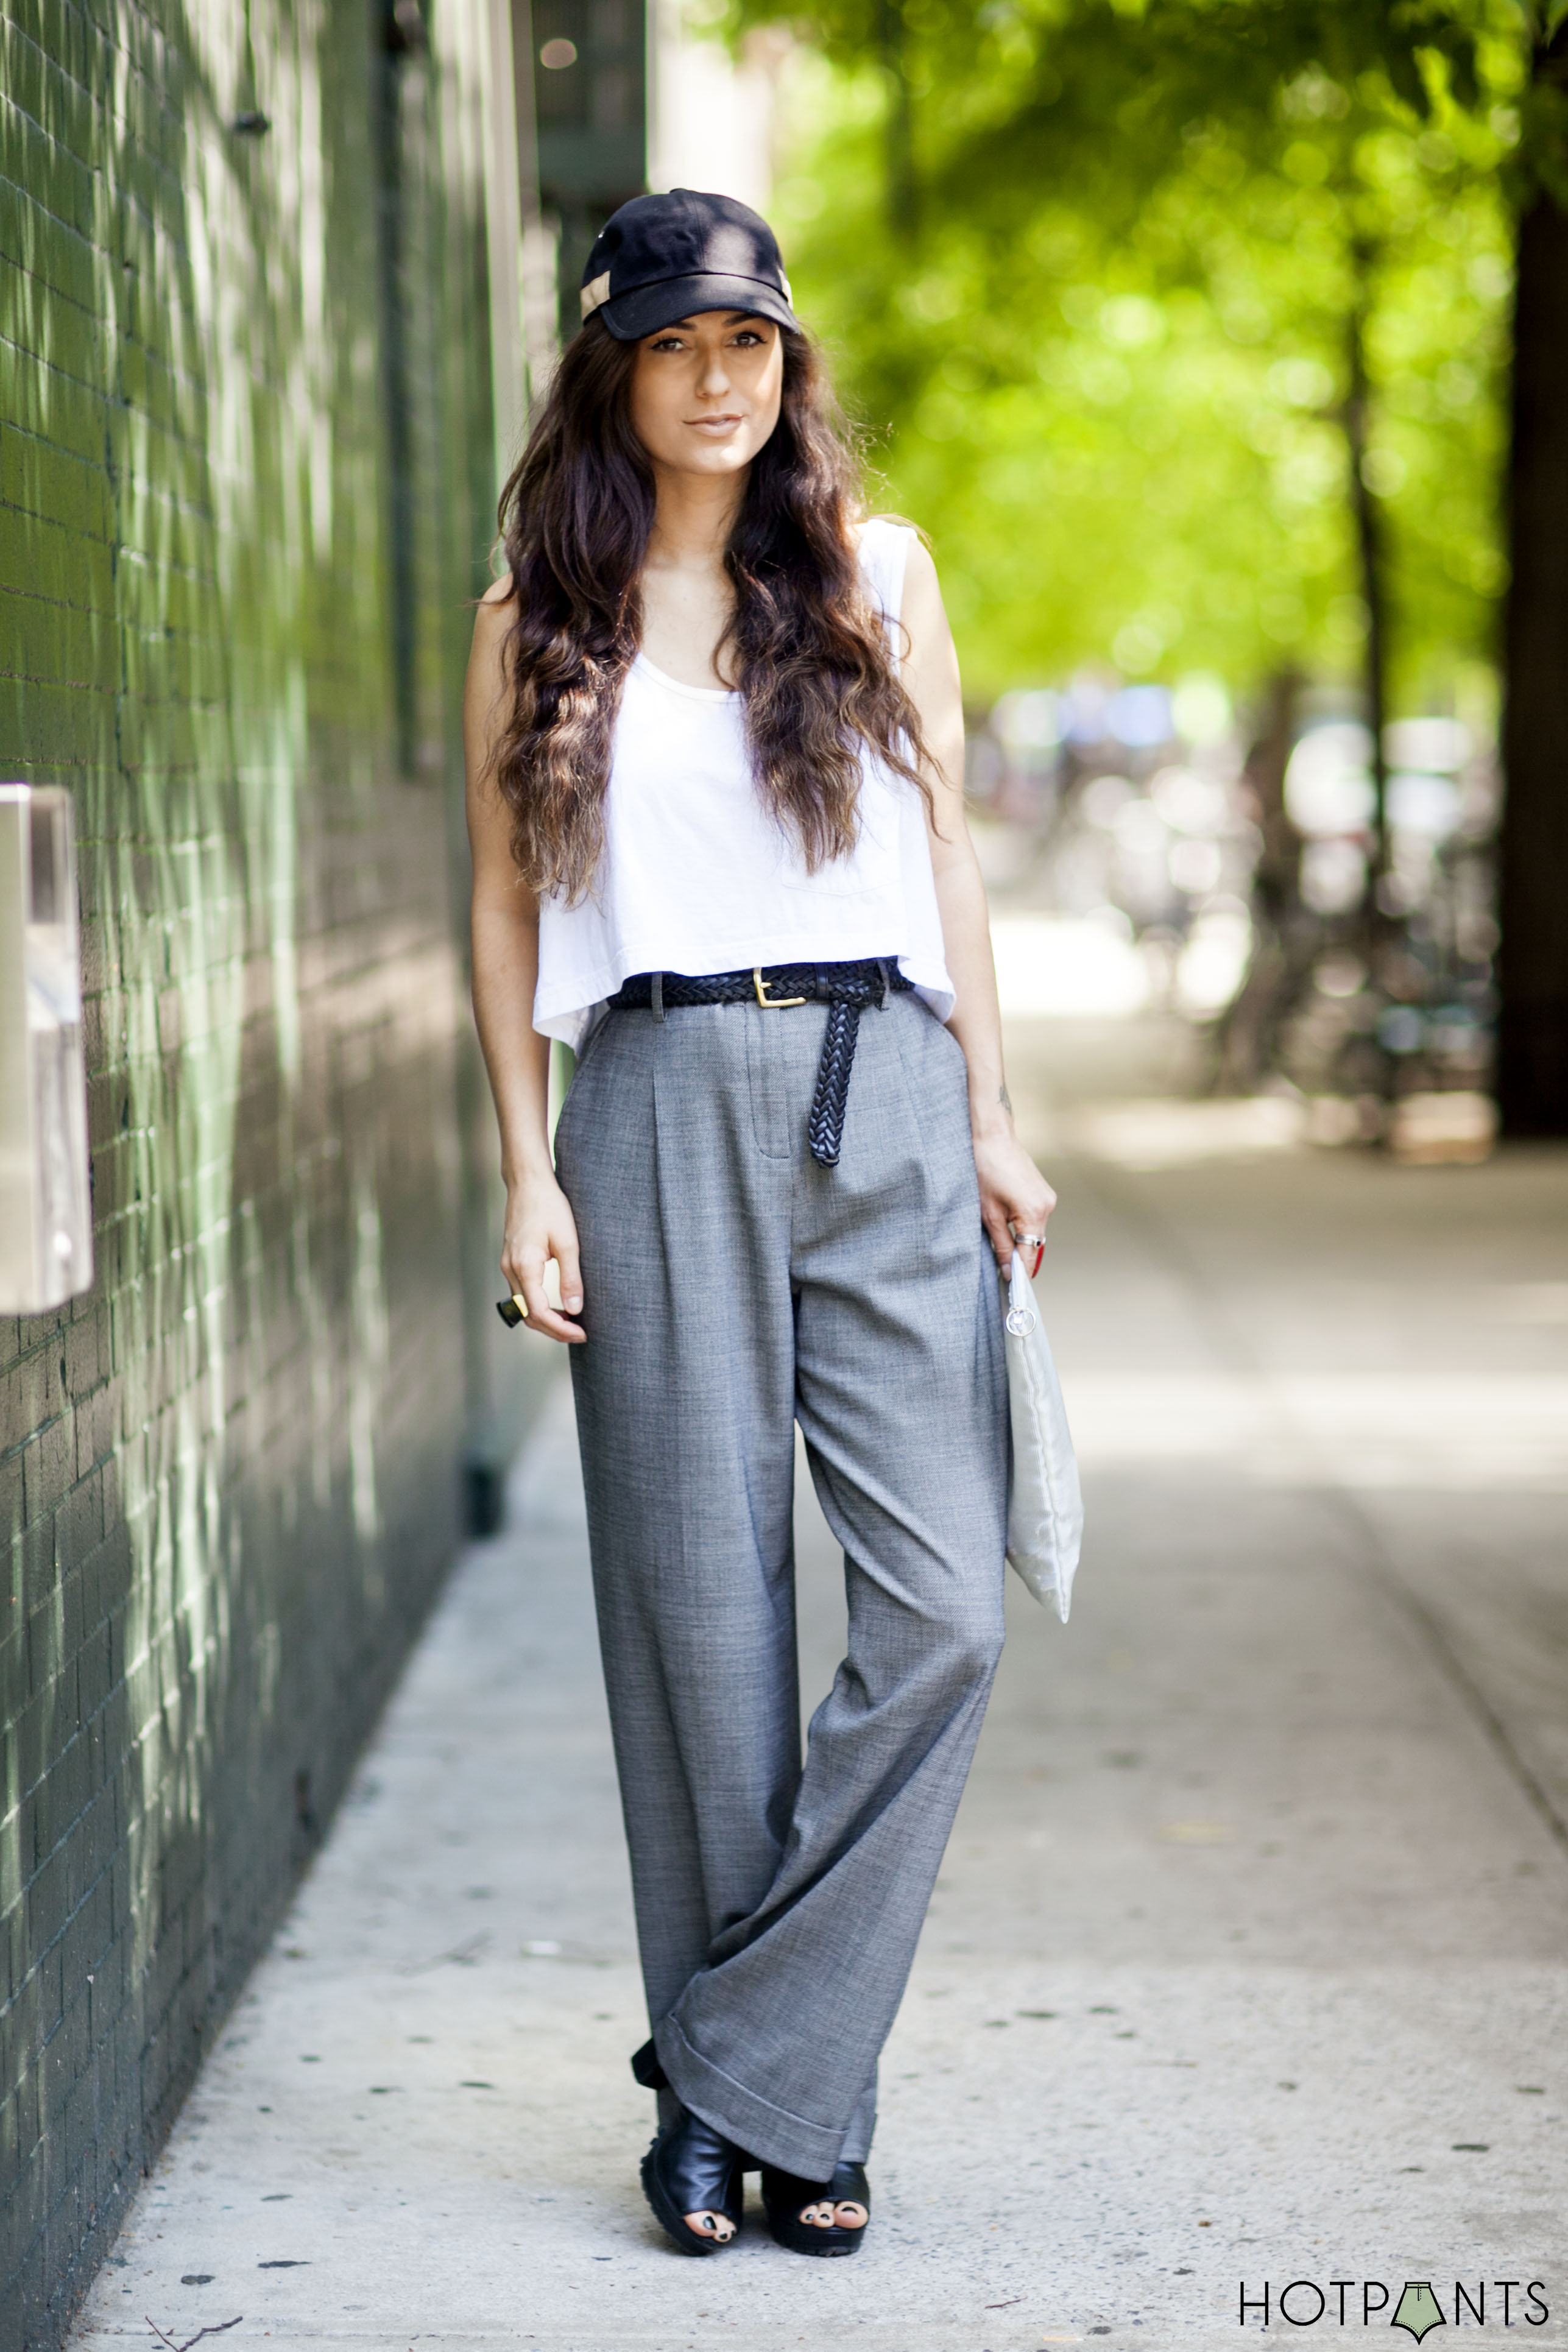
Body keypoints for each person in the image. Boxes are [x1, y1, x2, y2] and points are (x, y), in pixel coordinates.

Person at [464, 188, 1055, 2260]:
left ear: (787, 368)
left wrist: (995, 1115)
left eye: (753, 344)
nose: (723, 378)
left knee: (947, 1615)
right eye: (679, 344)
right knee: (703, 1629)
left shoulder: (879, 574)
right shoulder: (545, 608)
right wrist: (529, 1173)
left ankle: (738, 2065)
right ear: (616, 370)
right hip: (648, 1100)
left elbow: (952, 859)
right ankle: (778, 2124)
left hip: (881, 1090)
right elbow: (502, 902)